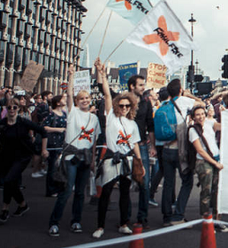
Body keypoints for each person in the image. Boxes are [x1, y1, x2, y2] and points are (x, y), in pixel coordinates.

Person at [93, 59, 145, 239]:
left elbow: (135, 144)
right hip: (111, 159)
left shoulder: (132, 124)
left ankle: (124, 223)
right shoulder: (111, 119)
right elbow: (107, 95)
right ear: (117, 106)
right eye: (121, 105)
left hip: (128, 160)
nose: (124, 108)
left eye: (127, 105)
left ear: (131, 106)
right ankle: (99, 226)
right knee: (106, 193)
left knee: (125, 193)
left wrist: (139, 162)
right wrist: (102, 74)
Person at [48, 65, 101, 236]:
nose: (85, 100)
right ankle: (54, 222)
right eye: (82, 98)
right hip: (71, 157)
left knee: (80, 193)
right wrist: (70, 75)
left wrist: (93, 160)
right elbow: (69, 94)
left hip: (85, 158)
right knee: (67, 189)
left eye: (87, 98)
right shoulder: (72, 112)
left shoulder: (94, 118)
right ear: (77, 101)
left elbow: (93, 142)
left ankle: (76, 221)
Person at [0, 98, 47, 224]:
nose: (12, 110)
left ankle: (5, 209)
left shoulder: (23, 122)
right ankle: (22, 205)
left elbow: (43, 131)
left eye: (14, 107)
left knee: (9, 181)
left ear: (18, 109)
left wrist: (43, 150)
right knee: (11, 183)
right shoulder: (1, 124)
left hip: (22, 157)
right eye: (9, 107)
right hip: (5, 158)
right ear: (5, 109)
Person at [161, 79, 203, 226]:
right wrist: (190, 95)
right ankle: (178, 215)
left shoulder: (164, 105)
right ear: (180, 90)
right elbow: (202, 105)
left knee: (168, 183)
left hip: (166, 149)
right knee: (187, 181)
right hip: (180, 150)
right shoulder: (185, 101)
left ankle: (166, 216)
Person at [188, 105, 228, 232]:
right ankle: (206, 221)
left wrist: (225, 114)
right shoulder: (193, 130)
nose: (201, 117)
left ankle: (217, 220)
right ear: (193, 117)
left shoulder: (210, 123)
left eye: (202, 114)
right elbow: (200, 150)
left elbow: (223, 126)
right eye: (198, 115)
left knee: (218, 191)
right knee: (207, 192)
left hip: (216, 159)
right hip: (204, 162)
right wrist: (215, 163)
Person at [127, 75, 156, 228]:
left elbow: (150, 125)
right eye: (140, 85)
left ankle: (142, 217)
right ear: (132, 86)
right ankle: (125, 218)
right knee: (125, 180)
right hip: (125, 146)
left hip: (142, 144)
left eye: (143, 85)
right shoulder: (123, 102)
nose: (143, 87)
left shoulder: (146, 103)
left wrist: (153, 146)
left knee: (144, 182)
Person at [43, 95, 68, 198]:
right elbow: (45, 127)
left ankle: (60, 187)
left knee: (60, 167)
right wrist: (58, 130)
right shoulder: (51, 113)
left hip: (62, 143)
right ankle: (51, 189)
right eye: (63, 99)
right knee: (52, 167)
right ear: (58, 102)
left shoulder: (64, 113)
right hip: (53, 142)